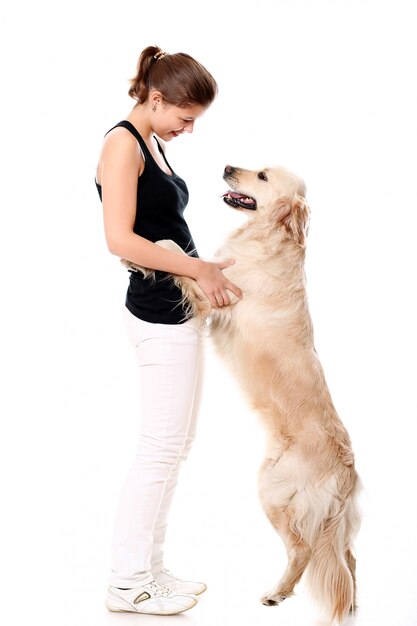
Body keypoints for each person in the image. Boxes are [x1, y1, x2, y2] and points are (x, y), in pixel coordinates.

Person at [94, 45, 242, 615]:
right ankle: (128, 581)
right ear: (156, 99)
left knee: (175, 446)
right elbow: (120, 238)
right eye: (185, 118)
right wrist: (197, 267)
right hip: (156, 313)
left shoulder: (151, 140)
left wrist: (204, 275)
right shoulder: (121, 144)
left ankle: (149, 569)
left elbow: (162, 229)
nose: (188, 129)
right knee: (159, 450)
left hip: (176, 310)